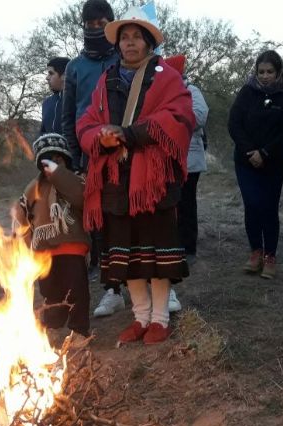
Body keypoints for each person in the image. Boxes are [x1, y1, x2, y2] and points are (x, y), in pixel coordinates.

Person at [77, 6, 195, 344]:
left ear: (148, 43)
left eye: (136, 37)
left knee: (156, 253)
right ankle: (140, 317)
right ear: (118, 44)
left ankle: (160, 319)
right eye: (124, 37)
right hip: (116, 178)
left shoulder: (166, 77)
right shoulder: (106, 80)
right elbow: (87, 121)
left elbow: (179, 117)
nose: (129, 43)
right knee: (125, 253)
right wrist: (101, 137)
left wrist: (129, 134)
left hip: (153, 180)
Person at [60, 0, 127, 317]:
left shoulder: (125, 58)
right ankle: (113, 290)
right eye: (90, 24)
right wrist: (75, 160)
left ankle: (152, 283)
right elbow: (68, 117)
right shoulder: (74, 67)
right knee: (101, 225)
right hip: (91, 158)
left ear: (111, 24)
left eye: (102, 24)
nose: (96, 29)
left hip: (127, 149)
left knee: (137, 215)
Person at [228, 50, 283, 279]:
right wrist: (250, 151)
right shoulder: (247, 92)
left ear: (278, 72)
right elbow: (234, 124)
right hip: (245, 161)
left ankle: (270, 255)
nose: (265, 76)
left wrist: (265, 153)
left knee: (269, 207)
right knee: (252, 205)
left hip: (273, 162)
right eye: (261, 72)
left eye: (270, 71)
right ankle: (255, 252)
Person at [13, 133, 91, 341]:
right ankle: (51, 329)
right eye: (47, 160)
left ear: (66, 159)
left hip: (72, 245)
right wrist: (26, 244)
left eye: (58, 159)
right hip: (44, 250)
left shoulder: (74, 179)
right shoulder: (34, 187)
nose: (52, 164)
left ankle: (79, 331)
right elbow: (22, 214)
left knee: (77, 291)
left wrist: (59, 174)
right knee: (50, 293)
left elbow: (81, 197)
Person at [167, 55, 209, 265]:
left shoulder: (192, 91)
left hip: (189, 158)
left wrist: (172, 119)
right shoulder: (164, 93)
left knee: (187, 203)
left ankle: (189, 248)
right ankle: (173, 244)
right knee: (171, 203)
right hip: (169, 157)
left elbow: (199, 116)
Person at [40, 57, 70, 136]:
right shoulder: (47, 103)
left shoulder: (80, 100)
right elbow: (43, 133)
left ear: (64, 75)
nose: (47, 78)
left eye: (51, 73)